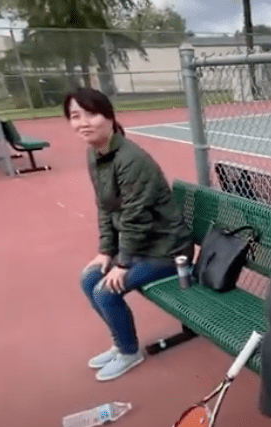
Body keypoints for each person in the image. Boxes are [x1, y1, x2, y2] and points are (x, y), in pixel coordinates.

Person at [64, 87, 192, 381]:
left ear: (109, 117)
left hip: (168, 250)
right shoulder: (95, 154)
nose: (83, 123)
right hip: (140, 246)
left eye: (91, 114)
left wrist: (122, 264)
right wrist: (105, 252)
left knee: (105, 291)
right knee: (89, 279)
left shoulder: (131, 159)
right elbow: (104, 207)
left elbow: (136, 218)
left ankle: (128, 352)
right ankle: (119, 342)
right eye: (75, 116)